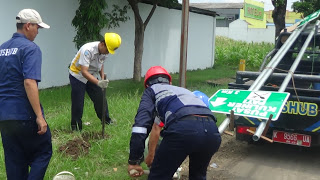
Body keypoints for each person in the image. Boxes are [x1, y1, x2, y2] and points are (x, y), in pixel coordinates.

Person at [128, 66, 221, 179]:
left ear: (146, 85)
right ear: (170, 82)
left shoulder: (151, 91)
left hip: (184, 129)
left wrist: (134, 161)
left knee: (158, 176)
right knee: (198, 175)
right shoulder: (183, 91)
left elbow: (140, 126)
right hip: (212, 131)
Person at [0, 9, 52, 180]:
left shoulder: (2, 49)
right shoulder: (30, 48)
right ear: (28, 25)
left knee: (14, 160)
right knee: (43, 152)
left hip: (4, 116)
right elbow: (29, 82)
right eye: (38, 27)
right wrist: (39, 116)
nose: (38, 32)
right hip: (25, 114)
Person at [144, 90, 212, 168]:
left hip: (178, 138)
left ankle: (158, 168)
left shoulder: (177, 109)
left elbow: (156, 129)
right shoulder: (207, 119)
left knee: (151, 142)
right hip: (203, 138)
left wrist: (151, 155)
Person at [68, 32, 121, 131]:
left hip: (91, 75)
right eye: (107, 50)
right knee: (78, 102)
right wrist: (98, 83)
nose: (107, 53)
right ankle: (76, 128)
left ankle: (106, 120)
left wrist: (102, 79)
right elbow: (84, 72)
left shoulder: (105, 51)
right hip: (78, 75)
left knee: (100, 98)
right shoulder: (87, 50)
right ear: (102, 44)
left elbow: (101, 64)